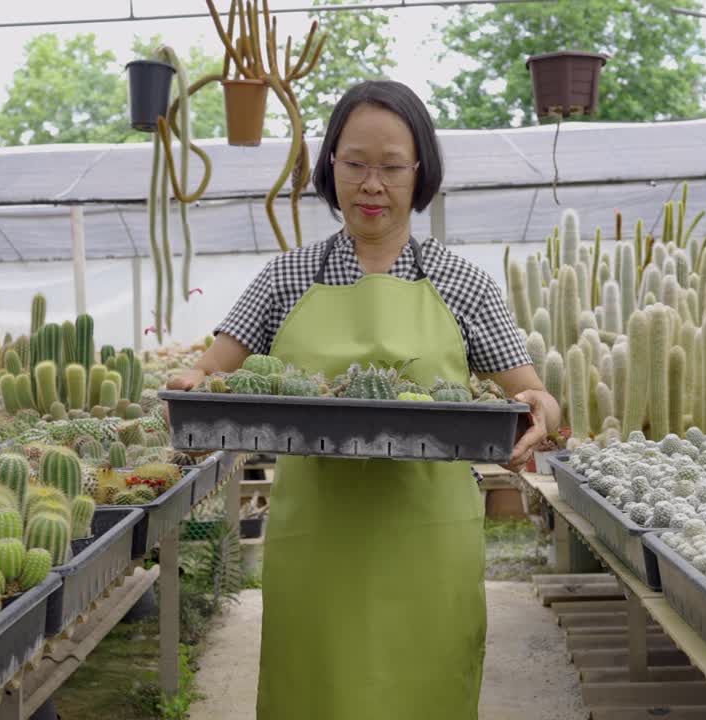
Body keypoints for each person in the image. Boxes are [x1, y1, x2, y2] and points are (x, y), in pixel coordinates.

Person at [165, 80, 561, 719]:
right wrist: (188, 387)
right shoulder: (286, 278)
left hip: (427, 546)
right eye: (353, 163)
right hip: (319, 544)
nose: (371, 184)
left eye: (390, 166)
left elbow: (532, 392)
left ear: (420, 172)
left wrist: (544, 410)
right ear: (329, 167)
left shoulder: (462, 283)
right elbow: (211, 375)